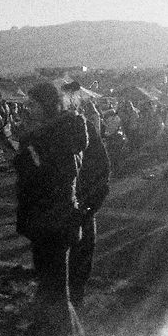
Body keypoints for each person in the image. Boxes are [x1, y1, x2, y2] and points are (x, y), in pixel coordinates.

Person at [14, 82, 88, 336]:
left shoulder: (59, 135)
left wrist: (31, 160)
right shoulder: (43, 134)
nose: (27, 109)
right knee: (49, 286)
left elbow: (60, 176)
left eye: (32, 104)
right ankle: (53, 333)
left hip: (55, 219)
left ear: (46, 105)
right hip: (42, 218)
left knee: (55, 288)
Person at [70, 104, 111, 309]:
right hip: (58, 209)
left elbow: (102, 169)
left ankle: (72, 305)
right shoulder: (43, 132)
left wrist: (90, 204)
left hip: (79, 206)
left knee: (79, 262)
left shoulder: (85, 128)